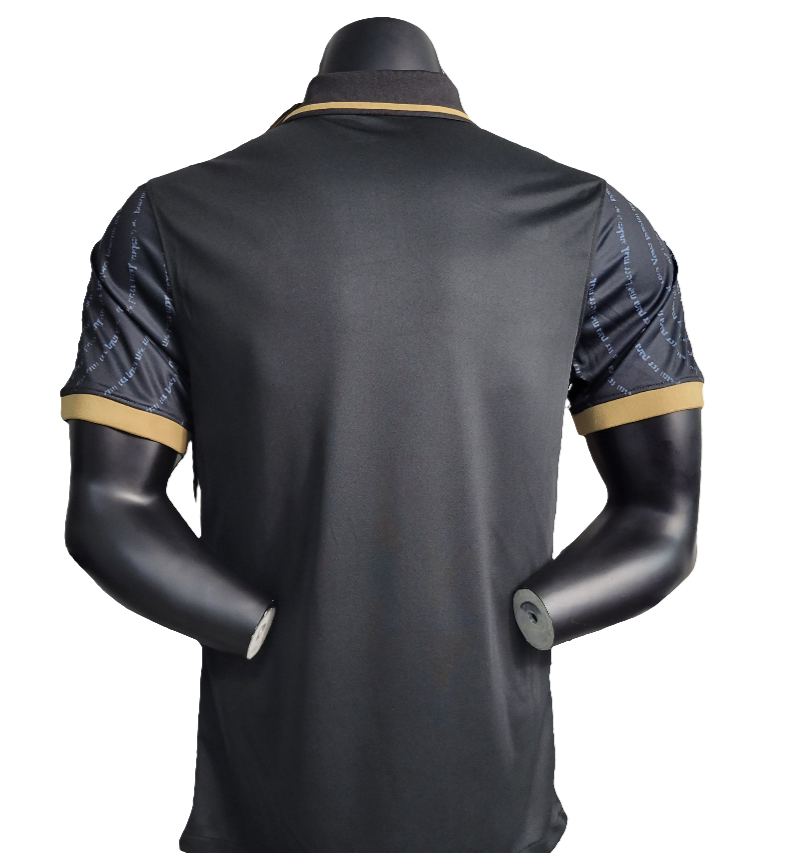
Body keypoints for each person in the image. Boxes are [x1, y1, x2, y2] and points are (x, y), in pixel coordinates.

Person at [61, 16, 704, 853]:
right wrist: (536, 616)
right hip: (474, 802)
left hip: (275, 797)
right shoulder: (595, 218)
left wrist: (248, 624)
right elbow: (663, 517)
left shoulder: (166, 216)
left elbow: (108, 505)